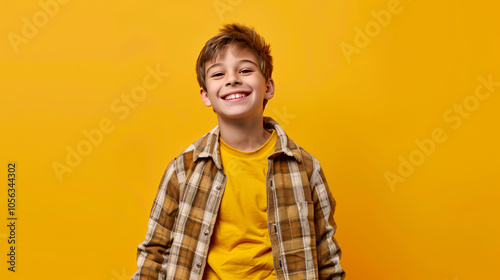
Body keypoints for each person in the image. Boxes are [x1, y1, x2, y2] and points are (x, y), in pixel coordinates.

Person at [131, 22, 346, 280]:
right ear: (206, 95)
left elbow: (326, 257)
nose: (233, 79)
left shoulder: (305, 168)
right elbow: (154, 252)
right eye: (218, 74)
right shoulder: (183, 169)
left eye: (245, 70)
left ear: (268, 86)